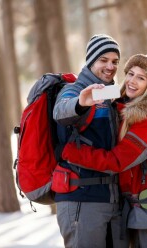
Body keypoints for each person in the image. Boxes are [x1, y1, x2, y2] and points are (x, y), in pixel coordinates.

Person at [61, 53, 147, 247]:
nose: (132, 81)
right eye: (130, 73)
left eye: (141, 78)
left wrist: (71, 152)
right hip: (138, 213)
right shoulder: (125, 106)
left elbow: (115, 162)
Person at [52, 34, 129, 248]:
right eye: (103, 60)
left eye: (114, 61)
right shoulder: (73, 90)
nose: (110, 66)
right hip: (81, 200)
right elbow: (61, 112)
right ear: (90, 61)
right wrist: (80, 103)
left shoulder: (111, 93)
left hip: (112, 200)